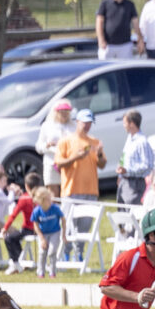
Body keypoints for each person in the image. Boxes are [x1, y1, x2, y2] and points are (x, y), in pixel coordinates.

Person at [56, 107, 106, 260]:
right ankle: (66, 252)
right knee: (69, 225)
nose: (87, 125)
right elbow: (59, 163)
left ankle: (79, 253)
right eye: (84, 122)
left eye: (90, 123)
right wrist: (75, 157)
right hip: (71, 190)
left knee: (85, 226)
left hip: (91, 190)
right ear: (77, 122)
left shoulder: (95, 142)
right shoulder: (66, 141)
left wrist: (99, 154)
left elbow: (102, 165)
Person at [0, 172, 42, 273]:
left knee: (9, 238)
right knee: (14, 238)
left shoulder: (24, 198)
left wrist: (5, 228)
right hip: (42, 229)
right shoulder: (43, 197)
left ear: (26, 186)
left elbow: (14, 215)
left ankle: (15, 262)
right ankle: (19, 261)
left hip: (29, 229)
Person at [116, 110, 154, 206]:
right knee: (122, 214)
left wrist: (128, 171)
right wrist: (120, 175)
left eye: (125, 123)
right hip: (125, 182)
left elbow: (147, 166)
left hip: (135, 184)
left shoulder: (142, 142)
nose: (124, 125)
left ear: (131, 124)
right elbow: (124, 157)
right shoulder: (130, 138)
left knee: (132, 214)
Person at [36, 99, 73, 187]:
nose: (64, 114)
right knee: (53, 194)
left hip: (70, 162)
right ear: (56, 112)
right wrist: (47, 145)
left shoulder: (73, 126)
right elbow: (39, 146)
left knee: (69, 190)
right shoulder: (47, 126)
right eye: (61, 111)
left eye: (67, 111)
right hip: (51, 162)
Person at [30, 186, 64, 276]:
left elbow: (63, 219)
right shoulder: (37, 211)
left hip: (55, 232)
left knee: (52, 251)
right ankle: (40, 271)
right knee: (42, 251)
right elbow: (35, 224)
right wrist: (41, 238)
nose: (50, 201)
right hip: (43, 233)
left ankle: (52, 271)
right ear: (41, 201)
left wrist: (63, 234)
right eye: (47, 199)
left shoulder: (55, 208)